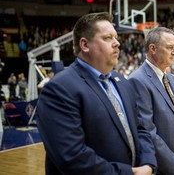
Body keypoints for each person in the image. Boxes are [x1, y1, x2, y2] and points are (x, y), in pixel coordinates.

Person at [36, 12, 157, 175]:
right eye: (108, 38)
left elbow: (140, 128)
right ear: (85, 45)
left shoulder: (122, 82)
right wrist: (129, 173)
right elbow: (72, 157)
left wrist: (149, 162)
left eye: (116, 37)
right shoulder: (59, 89)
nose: (117, 43)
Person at [128, 27, 174, 175]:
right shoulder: (137, 81)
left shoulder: (173, 80)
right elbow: (148, 133)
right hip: (163, 169)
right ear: (153, 48)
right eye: (170, 47)